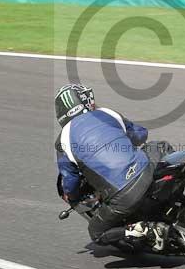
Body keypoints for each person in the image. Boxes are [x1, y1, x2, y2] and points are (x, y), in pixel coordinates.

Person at [54, 83, 169, 247]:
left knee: (96, 233)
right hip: (146, 171)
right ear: (84, 101)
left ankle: (143, 230)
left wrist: (71, 197)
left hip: (123, 196)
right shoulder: (106, 113)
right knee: (160, 146)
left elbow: (70, 181)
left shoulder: (63, 140)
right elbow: (140, 135)